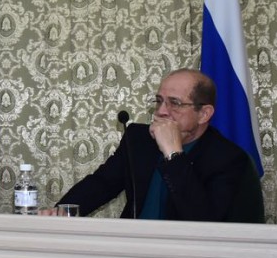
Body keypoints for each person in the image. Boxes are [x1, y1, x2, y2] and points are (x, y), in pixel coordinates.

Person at [47, 68, 263, 222]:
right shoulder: (138, 140)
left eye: (175, 103)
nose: (161, 111)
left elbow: (203, 220)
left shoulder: (229, 160)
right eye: (159, 101)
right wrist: (59, 213)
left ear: (204, 114)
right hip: (134, 249)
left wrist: (173, 154)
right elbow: (101, 184)